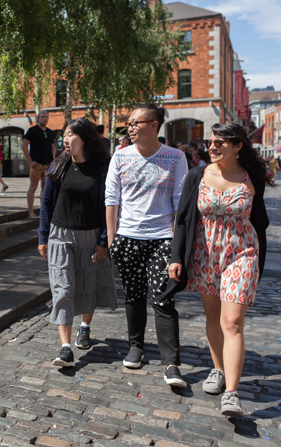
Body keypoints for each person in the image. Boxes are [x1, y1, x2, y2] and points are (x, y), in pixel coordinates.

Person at [168, 122, 273, 417]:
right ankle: (218, 369)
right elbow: (184, 220)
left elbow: (260, 219)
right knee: (213, 317)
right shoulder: (197, 175)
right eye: (211, 142)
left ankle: (232, 394)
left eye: (220, 142)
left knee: (233, 322)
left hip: (242, 253)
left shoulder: (253, 177)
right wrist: (177, 257)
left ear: (238, 146)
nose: (212, 147)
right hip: (206, 254)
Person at [105, 104, 189, 387]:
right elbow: (111, 198)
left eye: (135, 122)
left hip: (162, 239)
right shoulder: (120, 156)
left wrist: (178, 248)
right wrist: (113, 239)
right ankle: (136, 346)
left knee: (164, 299)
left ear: (153, 125)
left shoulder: (175, 157)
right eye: (128, 123)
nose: (129, 127)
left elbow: (180, 205)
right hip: (127, 238)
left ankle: (172, 364)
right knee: (133, 295)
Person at [38, 119, 116, 368]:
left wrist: (104, 240)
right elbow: (46, 205)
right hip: (60, 235)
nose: (65, 139)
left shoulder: (103, 167)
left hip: (90, 236)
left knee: (87, 285)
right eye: (64, 134)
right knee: (63, 288)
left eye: (70, 134)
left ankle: (85, 326)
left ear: (85, 138)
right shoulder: (57, 166)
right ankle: (65, 348)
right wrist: (42, 237)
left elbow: (109, 207)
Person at [22, 111, 56, 219]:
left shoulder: (50, 132)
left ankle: (43, 211)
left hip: (48, 164)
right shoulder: (32, 131)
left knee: (45, 188)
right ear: (38, 118)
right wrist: (30, 161)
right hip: (36, 164)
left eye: (46, 117)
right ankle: (31, 212)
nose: (44, 119)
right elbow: (24, 145)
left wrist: (53, 161)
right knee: (33, 187)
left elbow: (52, 147)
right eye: (42, 117)